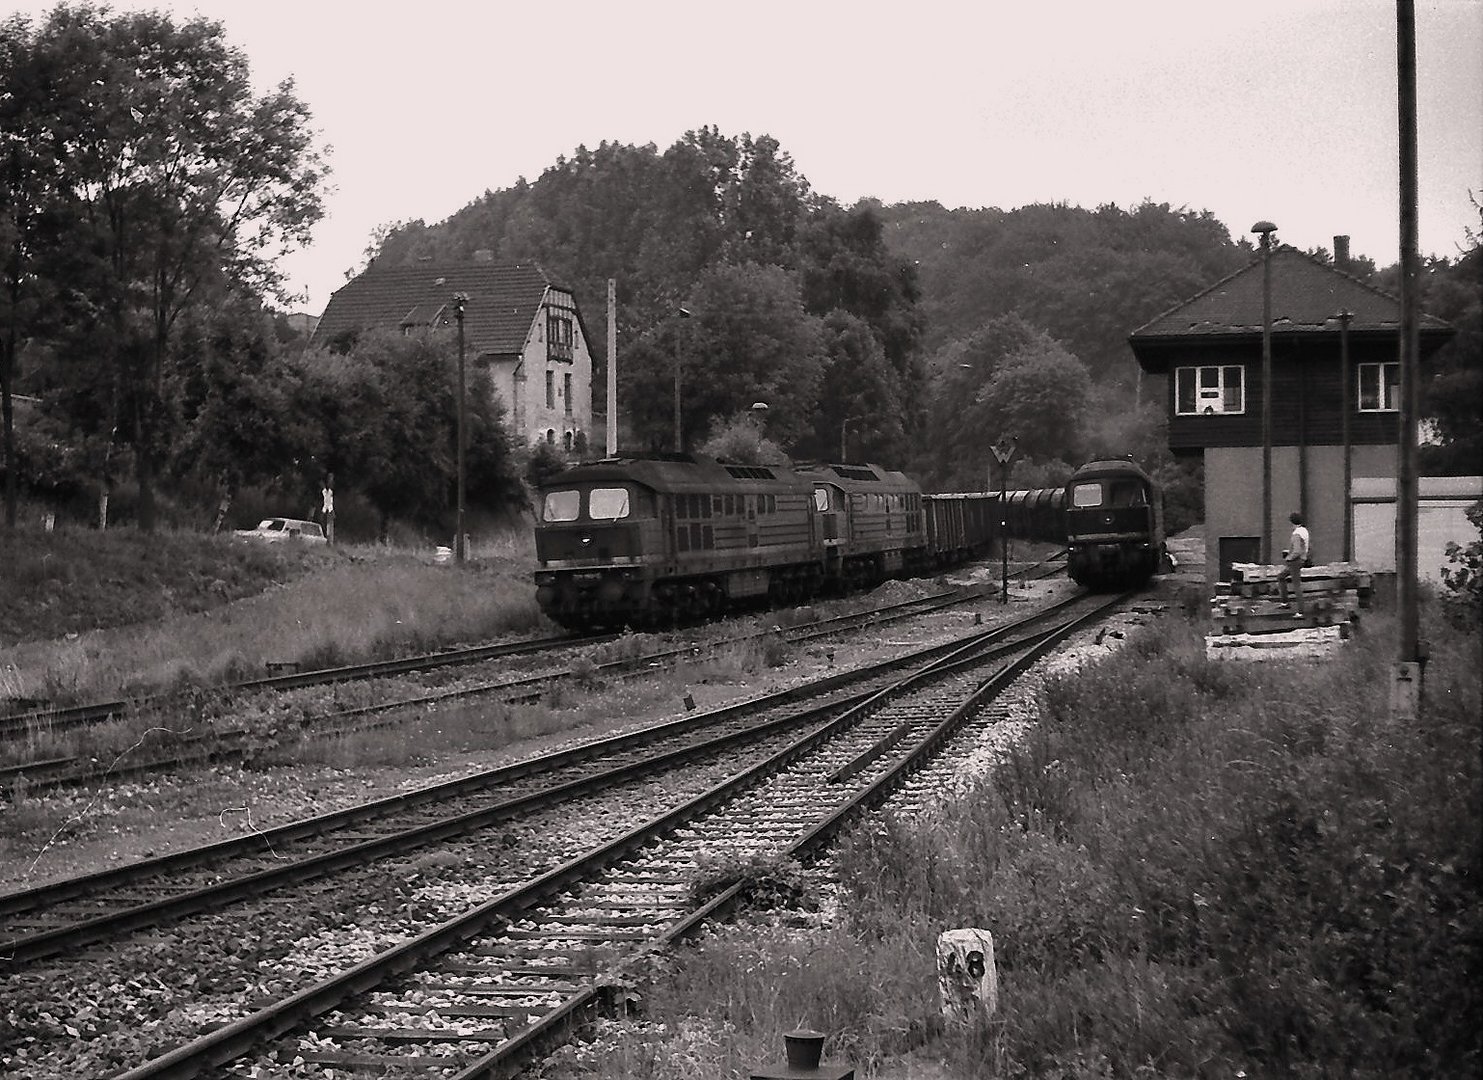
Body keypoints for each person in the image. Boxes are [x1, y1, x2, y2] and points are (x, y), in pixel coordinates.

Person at [1276, 511, 1310, 616]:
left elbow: (1297, 551)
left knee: (1296, 585)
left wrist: (1288, 558)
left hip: (1295, 561)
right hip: (1301, 559)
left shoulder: (1296, 534)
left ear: (1292, 522)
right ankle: (1285, 602)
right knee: (1281, 576)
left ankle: (1300, 611)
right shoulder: (1304, 531)